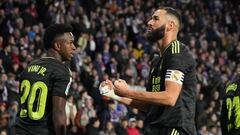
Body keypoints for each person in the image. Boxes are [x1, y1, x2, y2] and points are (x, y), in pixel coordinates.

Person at [99, 7, 197, 135]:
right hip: (155, 129)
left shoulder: (176, 51)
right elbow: (150, 106)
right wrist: (114, 94)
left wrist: (128, 91)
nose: (149, 22)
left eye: (155, 19)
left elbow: (170, 97)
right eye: (151, 18)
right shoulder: (156, 61)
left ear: (170, 26)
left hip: (175, 129)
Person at [15, 24, 76, 135]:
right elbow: (59, 111)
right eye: (70, 43)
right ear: (58, 45)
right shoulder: (62, 70)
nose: (74, 47)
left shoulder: (29, 67)